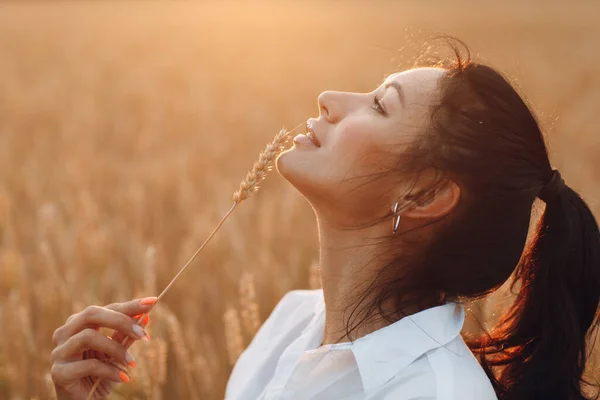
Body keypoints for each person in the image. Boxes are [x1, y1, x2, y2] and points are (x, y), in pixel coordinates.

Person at [51, 37, 600, 400]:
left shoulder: (433, 394)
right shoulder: (290, 323)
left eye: (381, 105)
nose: (330, 98)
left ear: (425, 193)